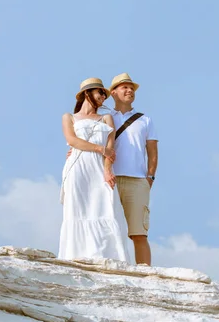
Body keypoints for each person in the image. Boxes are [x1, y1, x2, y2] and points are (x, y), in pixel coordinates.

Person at [58, 77, 131, 262]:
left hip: (98, 167)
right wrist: (100, 149)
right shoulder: (69, 117)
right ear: (87, 93)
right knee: (78, 209)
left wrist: (108, 170)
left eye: (105, 95)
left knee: (104, 206)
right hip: (78, 166)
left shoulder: (106, 118)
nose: (103, 98)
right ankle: (75, 256)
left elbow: (110, 147)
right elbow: (72, 140)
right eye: (100, 93)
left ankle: (106, 256)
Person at [107, 72, 158, 266]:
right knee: (109, 230)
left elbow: (152, 150)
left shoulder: (145, 120)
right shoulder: (105, 117)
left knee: (139, 232)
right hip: (109, 179)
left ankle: (145, 274)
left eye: (131, 88)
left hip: (137, 181)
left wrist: (150, 177)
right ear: (113, 93)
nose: (129, 90)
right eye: (124, 87)